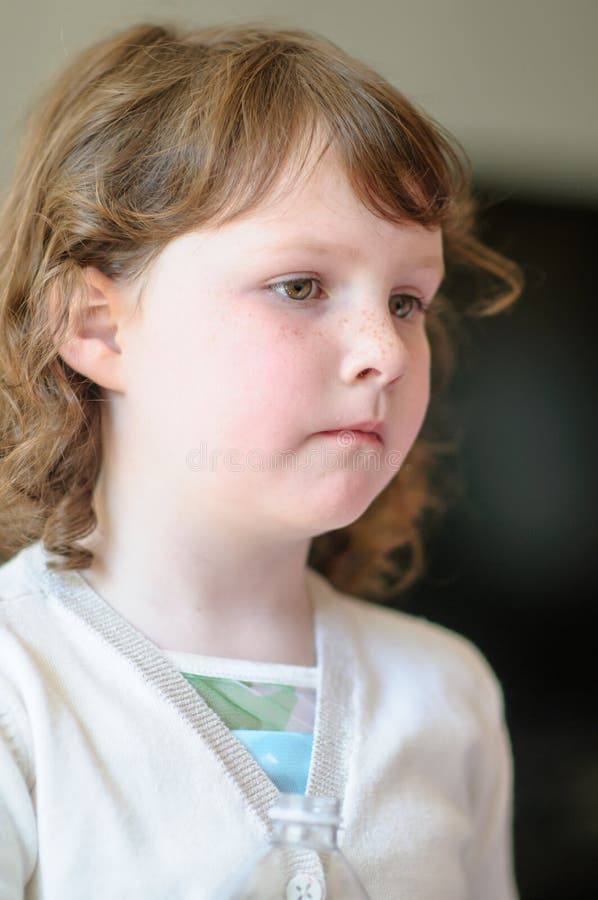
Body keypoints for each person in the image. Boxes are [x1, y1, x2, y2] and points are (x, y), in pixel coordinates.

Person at [0, 21, 524, 899]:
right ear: (97, 328)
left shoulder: (448, 696)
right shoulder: (20, 687)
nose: (384, 353)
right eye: (301, 286)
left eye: (406, 301)